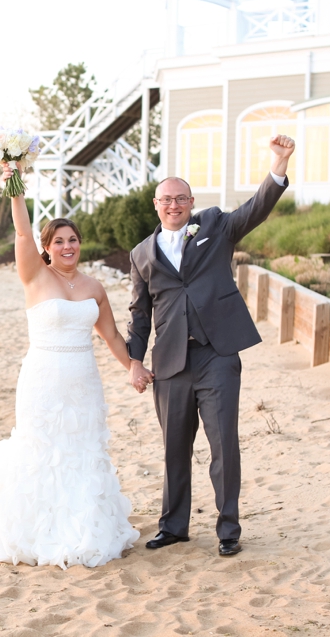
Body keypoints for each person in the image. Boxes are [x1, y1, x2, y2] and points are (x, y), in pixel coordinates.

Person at [0, 163, 140, 569]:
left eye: (73, 239)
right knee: (43, 451)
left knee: (82, 452)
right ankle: (37, 531)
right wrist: (15, 188)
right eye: (59, 241)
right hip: (42, 380)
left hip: (84, 382)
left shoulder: (94, 287)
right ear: (47, 248)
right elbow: (22, 231)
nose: (67, 246)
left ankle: (83, 528)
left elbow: (110, 336)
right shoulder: (35, 277)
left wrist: (132, 367)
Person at [126, 134, 296, 557]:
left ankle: (228, 529)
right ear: (156, 204)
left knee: (224, 446)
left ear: (190, 201)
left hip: (217, 355)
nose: (174, 205)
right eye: (166, 199)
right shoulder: (141, 254)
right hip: (169, 363)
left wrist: (278, 164)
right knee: (174, 449)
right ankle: (174, 527)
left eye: (181, 198)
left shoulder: (216, 226)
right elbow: (139, 313)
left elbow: (256, 209)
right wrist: (133, 360)